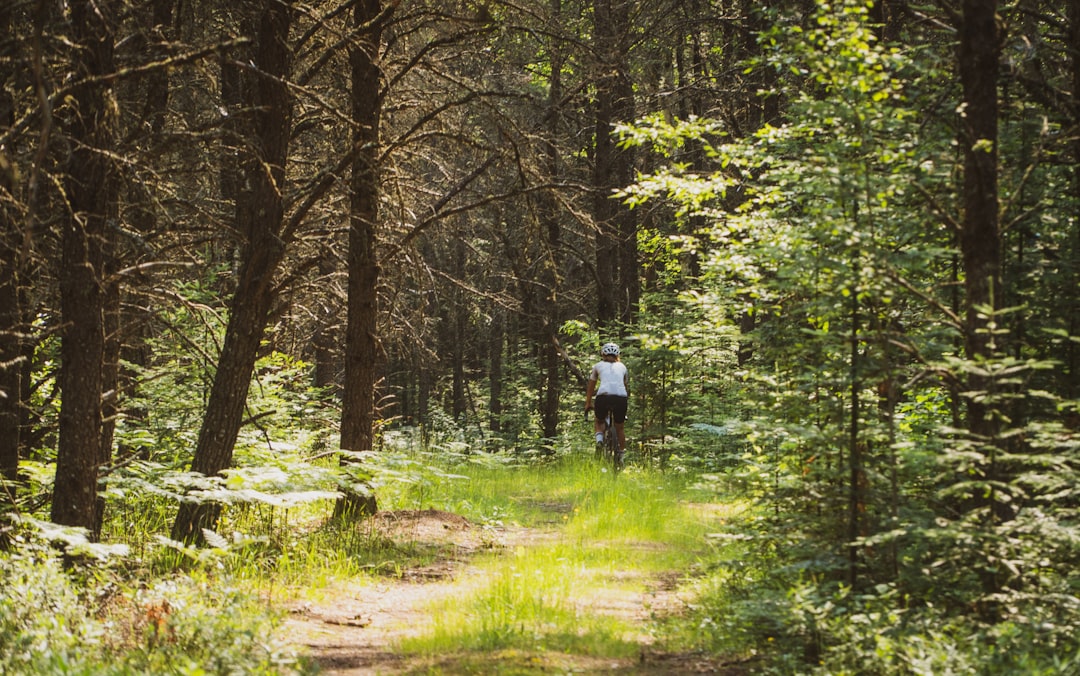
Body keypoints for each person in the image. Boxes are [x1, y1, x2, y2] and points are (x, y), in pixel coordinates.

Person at [584, 342, 629, 460]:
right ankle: (622, 457)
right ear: (617, 355)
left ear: (603, 354)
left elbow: (591, 386)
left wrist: (588, 403)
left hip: (603, 397)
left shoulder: (598, 366)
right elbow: (625, 385)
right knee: (620, 427)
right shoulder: (623, 367)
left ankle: (599, 441)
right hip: (621, 398)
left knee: (599, 421)